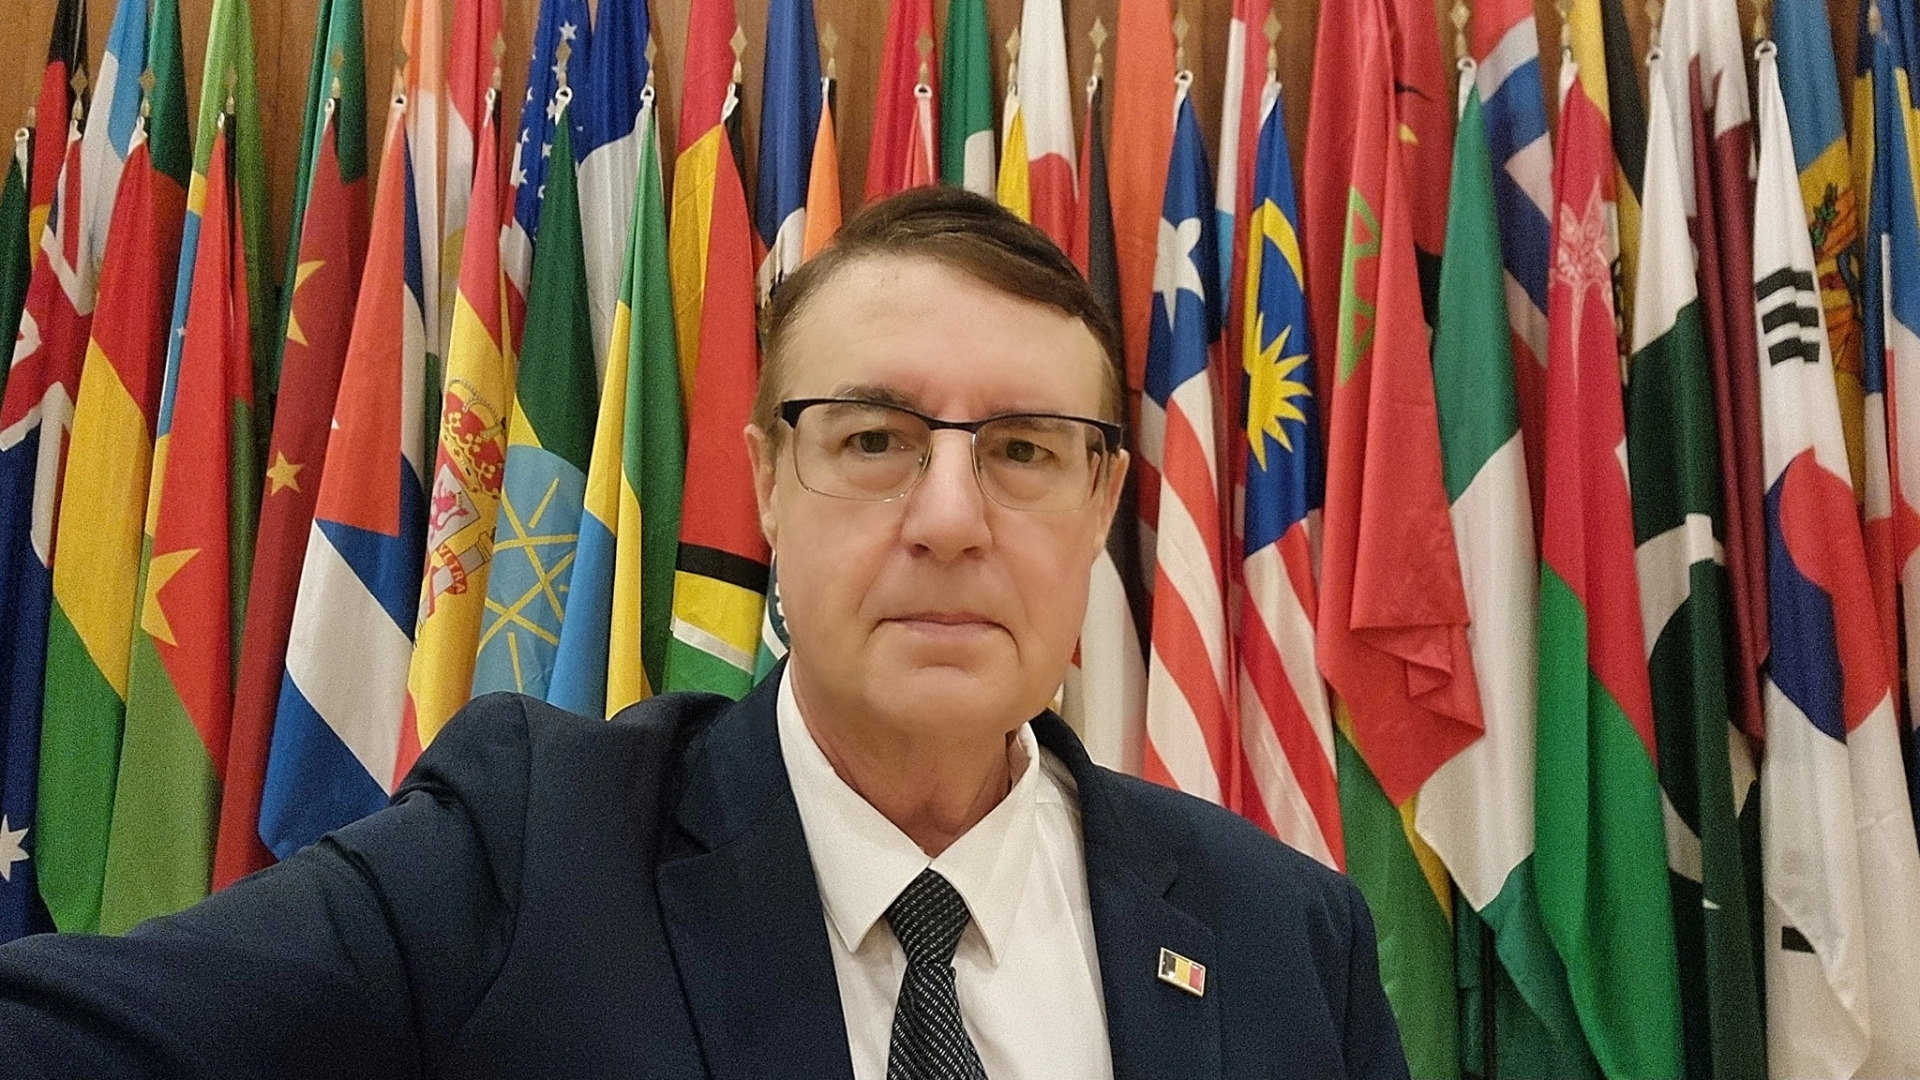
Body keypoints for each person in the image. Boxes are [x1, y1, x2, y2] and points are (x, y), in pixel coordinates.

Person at [0, 187, 1406, 1080]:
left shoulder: (1289, 935)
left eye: (1027, 450)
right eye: (873, 439)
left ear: (1102, 502)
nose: (951, 518)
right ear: (767, 487)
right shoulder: (529, 849)